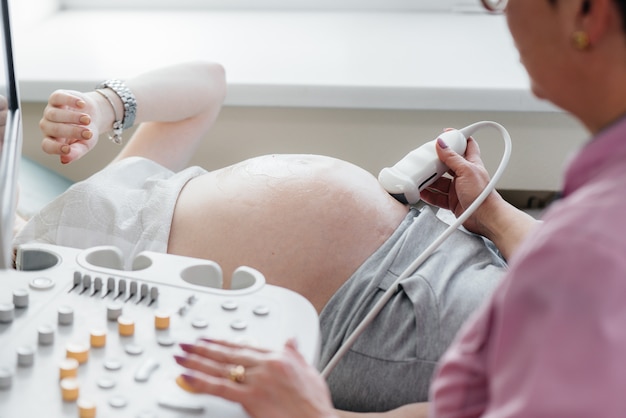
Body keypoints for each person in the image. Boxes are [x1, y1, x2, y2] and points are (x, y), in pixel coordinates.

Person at [169, 0, 626, 417]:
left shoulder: (595, 230)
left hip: (390, 310)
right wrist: (492, 216)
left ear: (588, 14)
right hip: (453, 264)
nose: (498, 15)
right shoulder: (598, 205)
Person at [12, 61, 509, 415]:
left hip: (434, 277)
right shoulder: (24, 270)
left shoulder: (81, 204)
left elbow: (209, 82)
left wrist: (103, 106)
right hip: (385, 313)